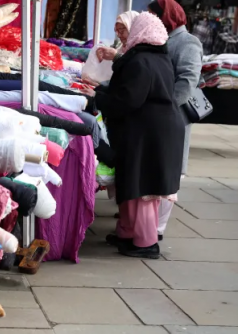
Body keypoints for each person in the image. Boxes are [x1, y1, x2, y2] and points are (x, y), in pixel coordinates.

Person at [80, 12, 185, 259]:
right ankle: (127, 233)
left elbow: (128, 100)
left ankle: (146, 243)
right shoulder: (156, 58)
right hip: (149, 131)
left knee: (143, 189)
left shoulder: (142, 62)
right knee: (131, 184)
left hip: (149, 134)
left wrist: (97, 98)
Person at [148, 0, 203, 241]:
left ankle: (157, 229)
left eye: (153, 15)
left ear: (166, 16)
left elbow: (187, 81)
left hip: (172, 116)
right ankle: (146, 223)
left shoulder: (188, 42)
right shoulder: (162, 38)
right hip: (158, 114)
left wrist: (165, 107)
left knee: (169, 171)